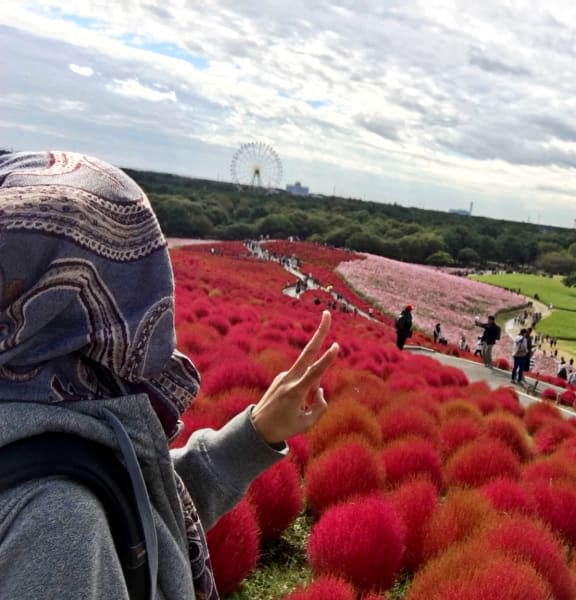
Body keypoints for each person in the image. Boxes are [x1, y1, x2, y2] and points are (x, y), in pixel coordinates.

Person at [0, 151, 339, 599]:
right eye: (137, 264)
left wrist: (254, 434)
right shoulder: (58, 523)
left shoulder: (32, 407)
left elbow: (137, 517)